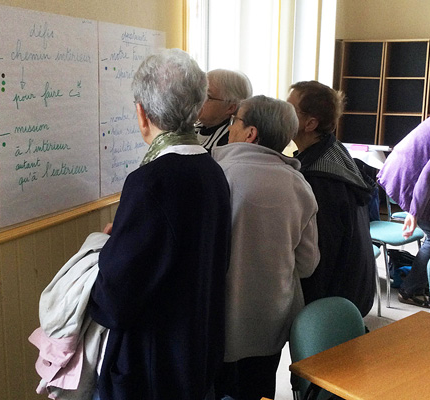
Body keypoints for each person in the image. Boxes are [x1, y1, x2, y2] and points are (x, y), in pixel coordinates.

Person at [88, 48, 232, 400]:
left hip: (152, 369)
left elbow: (114, 300)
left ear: (142, 113)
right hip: (197, 352)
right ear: (197, 108)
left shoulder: (150, 182)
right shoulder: (212, 171)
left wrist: (110, 250)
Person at [212, 95, 320, 400]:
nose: (230, 127)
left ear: (251, 133)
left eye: (235, 121)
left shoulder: (219, 176)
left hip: (220, 318)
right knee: (260, 389)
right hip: (272, 317)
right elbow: (308, 263)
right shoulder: (298, 184)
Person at [287, 80, 376, 317]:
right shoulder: (332, 151)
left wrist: (311, 312)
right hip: (352, 291)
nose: (282, 113)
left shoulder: (320, 179)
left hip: (334, 302)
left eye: (290, 108)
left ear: (310, 123)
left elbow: (321, 254)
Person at [377, 116, 430, 308]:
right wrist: (415, 211)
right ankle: (410, 290)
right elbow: (428, 175)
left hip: (412, 171)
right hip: (410, 175)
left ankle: (421, 280)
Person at [195, 69, 253, 152]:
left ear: (230, 108)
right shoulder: (196, 127)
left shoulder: (228, 142)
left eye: (207, 96)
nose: (198, 99)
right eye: (200, 92)